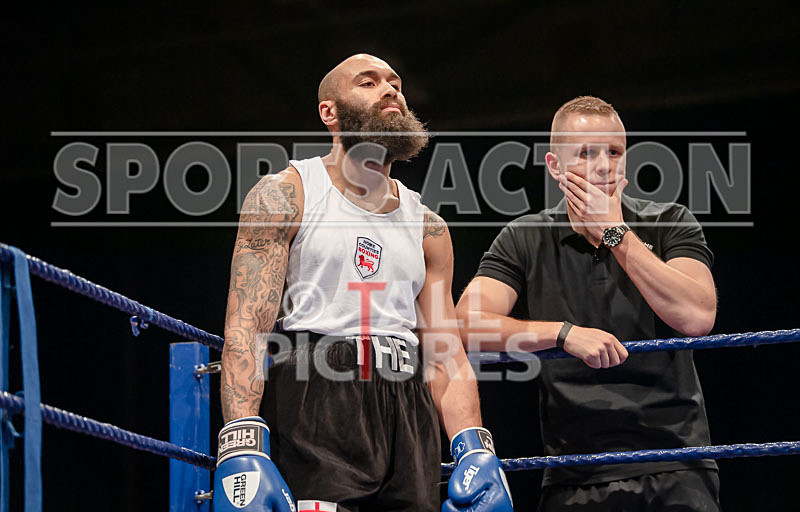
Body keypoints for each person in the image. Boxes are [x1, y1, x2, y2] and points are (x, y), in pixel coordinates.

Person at [214, 54, 513, 512]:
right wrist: (240, 443)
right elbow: (247, 324)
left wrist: (474, 446)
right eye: (368, 82)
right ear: (329, 112)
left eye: (395, 82)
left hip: (408, 405)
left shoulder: (429, 227)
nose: (390, 89)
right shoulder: (287, 194)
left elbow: (444, 350)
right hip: (315, 394)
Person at [456, 96, 720, 511]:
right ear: (555, 167)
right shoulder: (524, 237)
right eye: (586, 153)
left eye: (614, 152)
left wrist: (615, 232)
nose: (603, 165)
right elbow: (466, 326)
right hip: (573, 473)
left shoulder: (669, 220)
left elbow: (697, 316)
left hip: (676, 463)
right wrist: (562, 334)